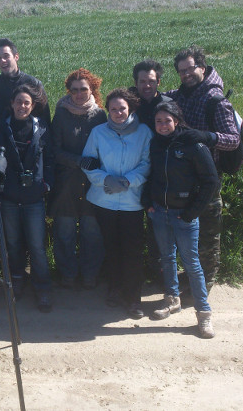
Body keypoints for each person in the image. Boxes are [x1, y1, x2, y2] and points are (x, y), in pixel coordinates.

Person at [165, 46, 240, 292]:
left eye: (190, 69)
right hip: (185, 177)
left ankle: (203, 286)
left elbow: (233, 140)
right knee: (190, 231)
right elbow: (161, 97)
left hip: (208, 177)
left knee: (207, 235)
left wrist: (208, 136)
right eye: (181, 71)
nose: (185, 74)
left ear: (203, 68)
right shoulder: (182, 95)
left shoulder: (216, 101)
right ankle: (190, 279)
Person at [144, 101, 219, 338]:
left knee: (191, 263)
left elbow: (211, 181)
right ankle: (172, 299)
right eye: (158, 121)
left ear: (176, 121)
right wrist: (148, 202)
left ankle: (204, 314)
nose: (163, 125)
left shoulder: (193, 145)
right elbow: (151, 175)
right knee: (167, 258)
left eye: (167, 120)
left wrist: (192, 212)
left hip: (183, 215)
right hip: (160, 212)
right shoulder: (155, 144)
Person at [82, 88, 152, 319]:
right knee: (111, 247)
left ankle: (133, 298)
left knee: (132, 250)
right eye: (113, 109)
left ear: (130, 109)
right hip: (104, 201)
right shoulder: (98, 132)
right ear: (108, 110)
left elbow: (147, 163)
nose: (118, 113)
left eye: (122, 108)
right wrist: (105, 180)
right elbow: (88, 162)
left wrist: (128, 181)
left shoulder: (144, 132)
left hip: (132, 202)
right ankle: (114, 288)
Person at [0, 84, 54, 313]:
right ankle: (17, 279)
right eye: (18, 102)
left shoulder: (42, 128)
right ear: (12, 104)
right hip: (8, 197)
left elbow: (51, 159)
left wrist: (46, 184)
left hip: (34, 197)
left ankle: (42, 287)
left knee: (37, 246)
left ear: (32, 106)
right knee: (13, 243)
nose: (22, 106)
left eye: (26, 103)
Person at [49, 68, 107, 290]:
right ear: (69, 91)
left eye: (84, 89)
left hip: (93, 184)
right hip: (66, 183)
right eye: (74, 90)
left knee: (92, 233)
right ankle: (68, 274)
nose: (79, 94)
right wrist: (78, 161)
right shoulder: (61, 114)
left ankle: (90, 274)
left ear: (92, 89)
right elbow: (54, 150)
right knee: (64, 233)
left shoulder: (99, 115)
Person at [129, 59, 173, 285]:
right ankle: (132, 271)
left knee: (159, 227)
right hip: (132, 170)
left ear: (159, 82)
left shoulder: (168, 104)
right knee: (133, 225)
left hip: (160, 172)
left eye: (151, 81)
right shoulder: (128, 103)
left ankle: (160, 274)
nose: (147, 85)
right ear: (135, 82)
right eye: (142, 81)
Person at [0, 38, 51, 133]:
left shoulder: (34, 84)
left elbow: (45, 120)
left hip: (28, 139)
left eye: (6, 56)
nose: (3, 60)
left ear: (16, 57)